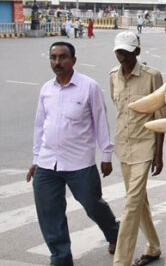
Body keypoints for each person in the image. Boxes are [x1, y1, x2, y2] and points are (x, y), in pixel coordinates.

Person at [27, 42, 119, 266]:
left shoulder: (89, 87)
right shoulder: (46, 89)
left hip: (80, 164)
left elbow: (101, 123)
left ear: (73, 60)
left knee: (93, 205)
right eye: (53, 57)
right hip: (48, 164)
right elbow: (40, 126)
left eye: (62, 57)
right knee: (50, 214)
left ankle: (115, 233)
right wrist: (35, 159)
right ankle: (61, 258)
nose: (57, 62)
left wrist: (106, 156)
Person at [109, 31, 165, 266]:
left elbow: (160, 116)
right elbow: (117, 107)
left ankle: (121, 261)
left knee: (131, 204)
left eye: (126, 52)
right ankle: (153, 246)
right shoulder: (113, 75)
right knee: (139, 201)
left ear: (137, 52)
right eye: (118, 52)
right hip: (124, 146)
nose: (121, 56)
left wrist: (158, 154)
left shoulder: (152, 76)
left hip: (145, 146)